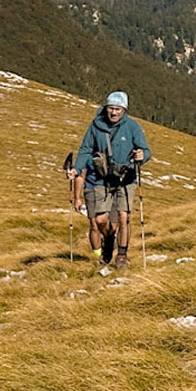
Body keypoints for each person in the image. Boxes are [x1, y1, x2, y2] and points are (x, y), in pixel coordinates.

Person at [71, 91, 152, 271]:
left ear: (124, 110)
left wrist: (142, 156)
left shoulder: (132, 126)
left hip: (126, 179)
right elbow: (85, 149)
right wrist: (77, 168)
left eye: (117, 109)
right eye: (110, 108)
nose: (113, 113)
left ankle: (122, 256)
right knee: (99, 221)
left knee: (124, 217)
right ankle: (109, 241)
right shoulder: (96, 126)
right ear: (105, 108)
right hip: (103, 179)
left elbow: (146, 150)